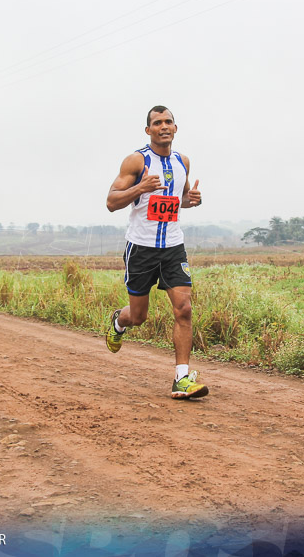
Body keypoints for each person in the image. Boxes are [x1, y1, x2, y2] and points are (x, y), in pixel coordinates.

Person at [105, 106, 206, 399]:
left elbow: (179, 199)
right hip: (141, 249)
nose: (164, 126)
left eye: (168, 121)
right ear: (148, 130)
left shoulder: (182, 161)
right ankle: (118, 321)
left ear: (175, 128)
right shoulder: (136, 161)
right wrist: (141, 188)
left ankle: (182, 378)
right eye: (157, 123)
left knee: (184, 309)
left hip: (173, 247)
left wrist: (192, 200)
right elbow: (111, 201)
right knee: (138, 317)